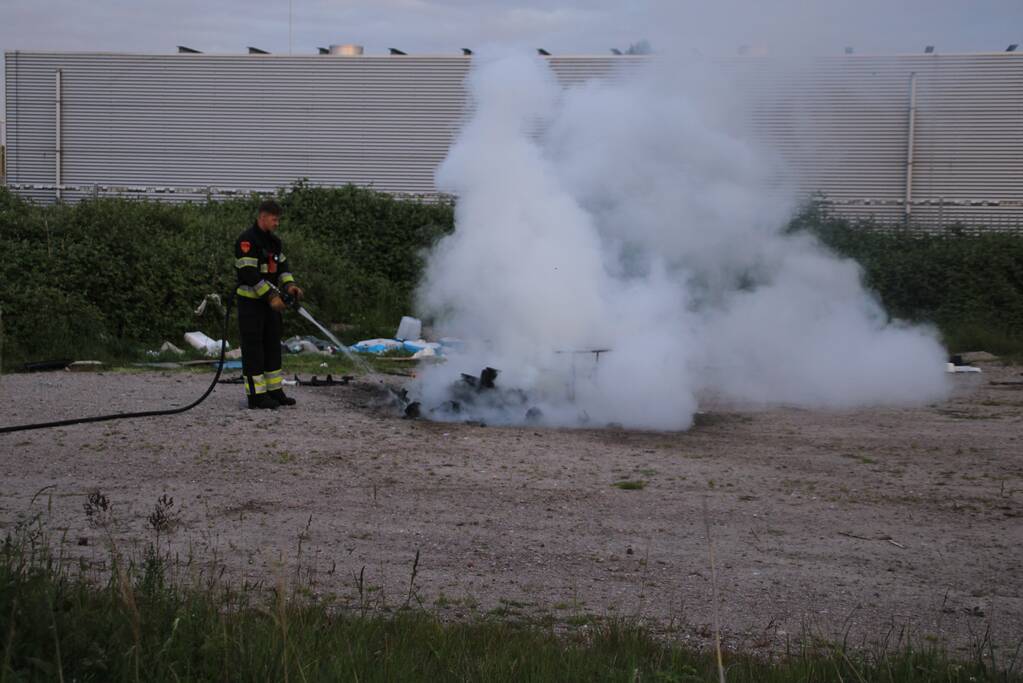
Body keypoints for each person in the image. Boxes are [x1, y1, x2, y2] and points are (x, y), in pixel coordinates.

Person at [234, 199, 304, 409]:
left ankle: (274, 390)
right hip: (251, 305)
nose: (277, 223)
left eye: (278, 220)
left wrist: (290, 286)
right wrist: (270, 297)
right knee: (254, 349)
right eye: (274, 219)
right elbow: (249, 274)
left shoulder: (274, 242)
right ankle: (256, 396)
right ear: (263, 217)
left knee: (273, 346)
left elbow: (282, 266)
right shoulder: (246, 241)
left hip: (271, 306)